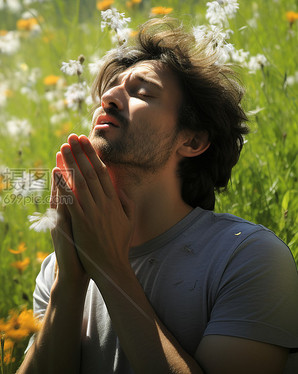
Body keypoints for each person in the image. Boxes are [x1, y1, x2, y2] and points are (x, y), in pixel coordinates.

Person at [17, 17, 298, 374]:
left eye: (142, 92)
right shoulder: (58, 268)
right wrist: (69, 283)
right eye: (111, 88)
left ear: (193, 141)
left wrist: (110, 269)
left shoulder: (247, 257)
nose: (108, 97)